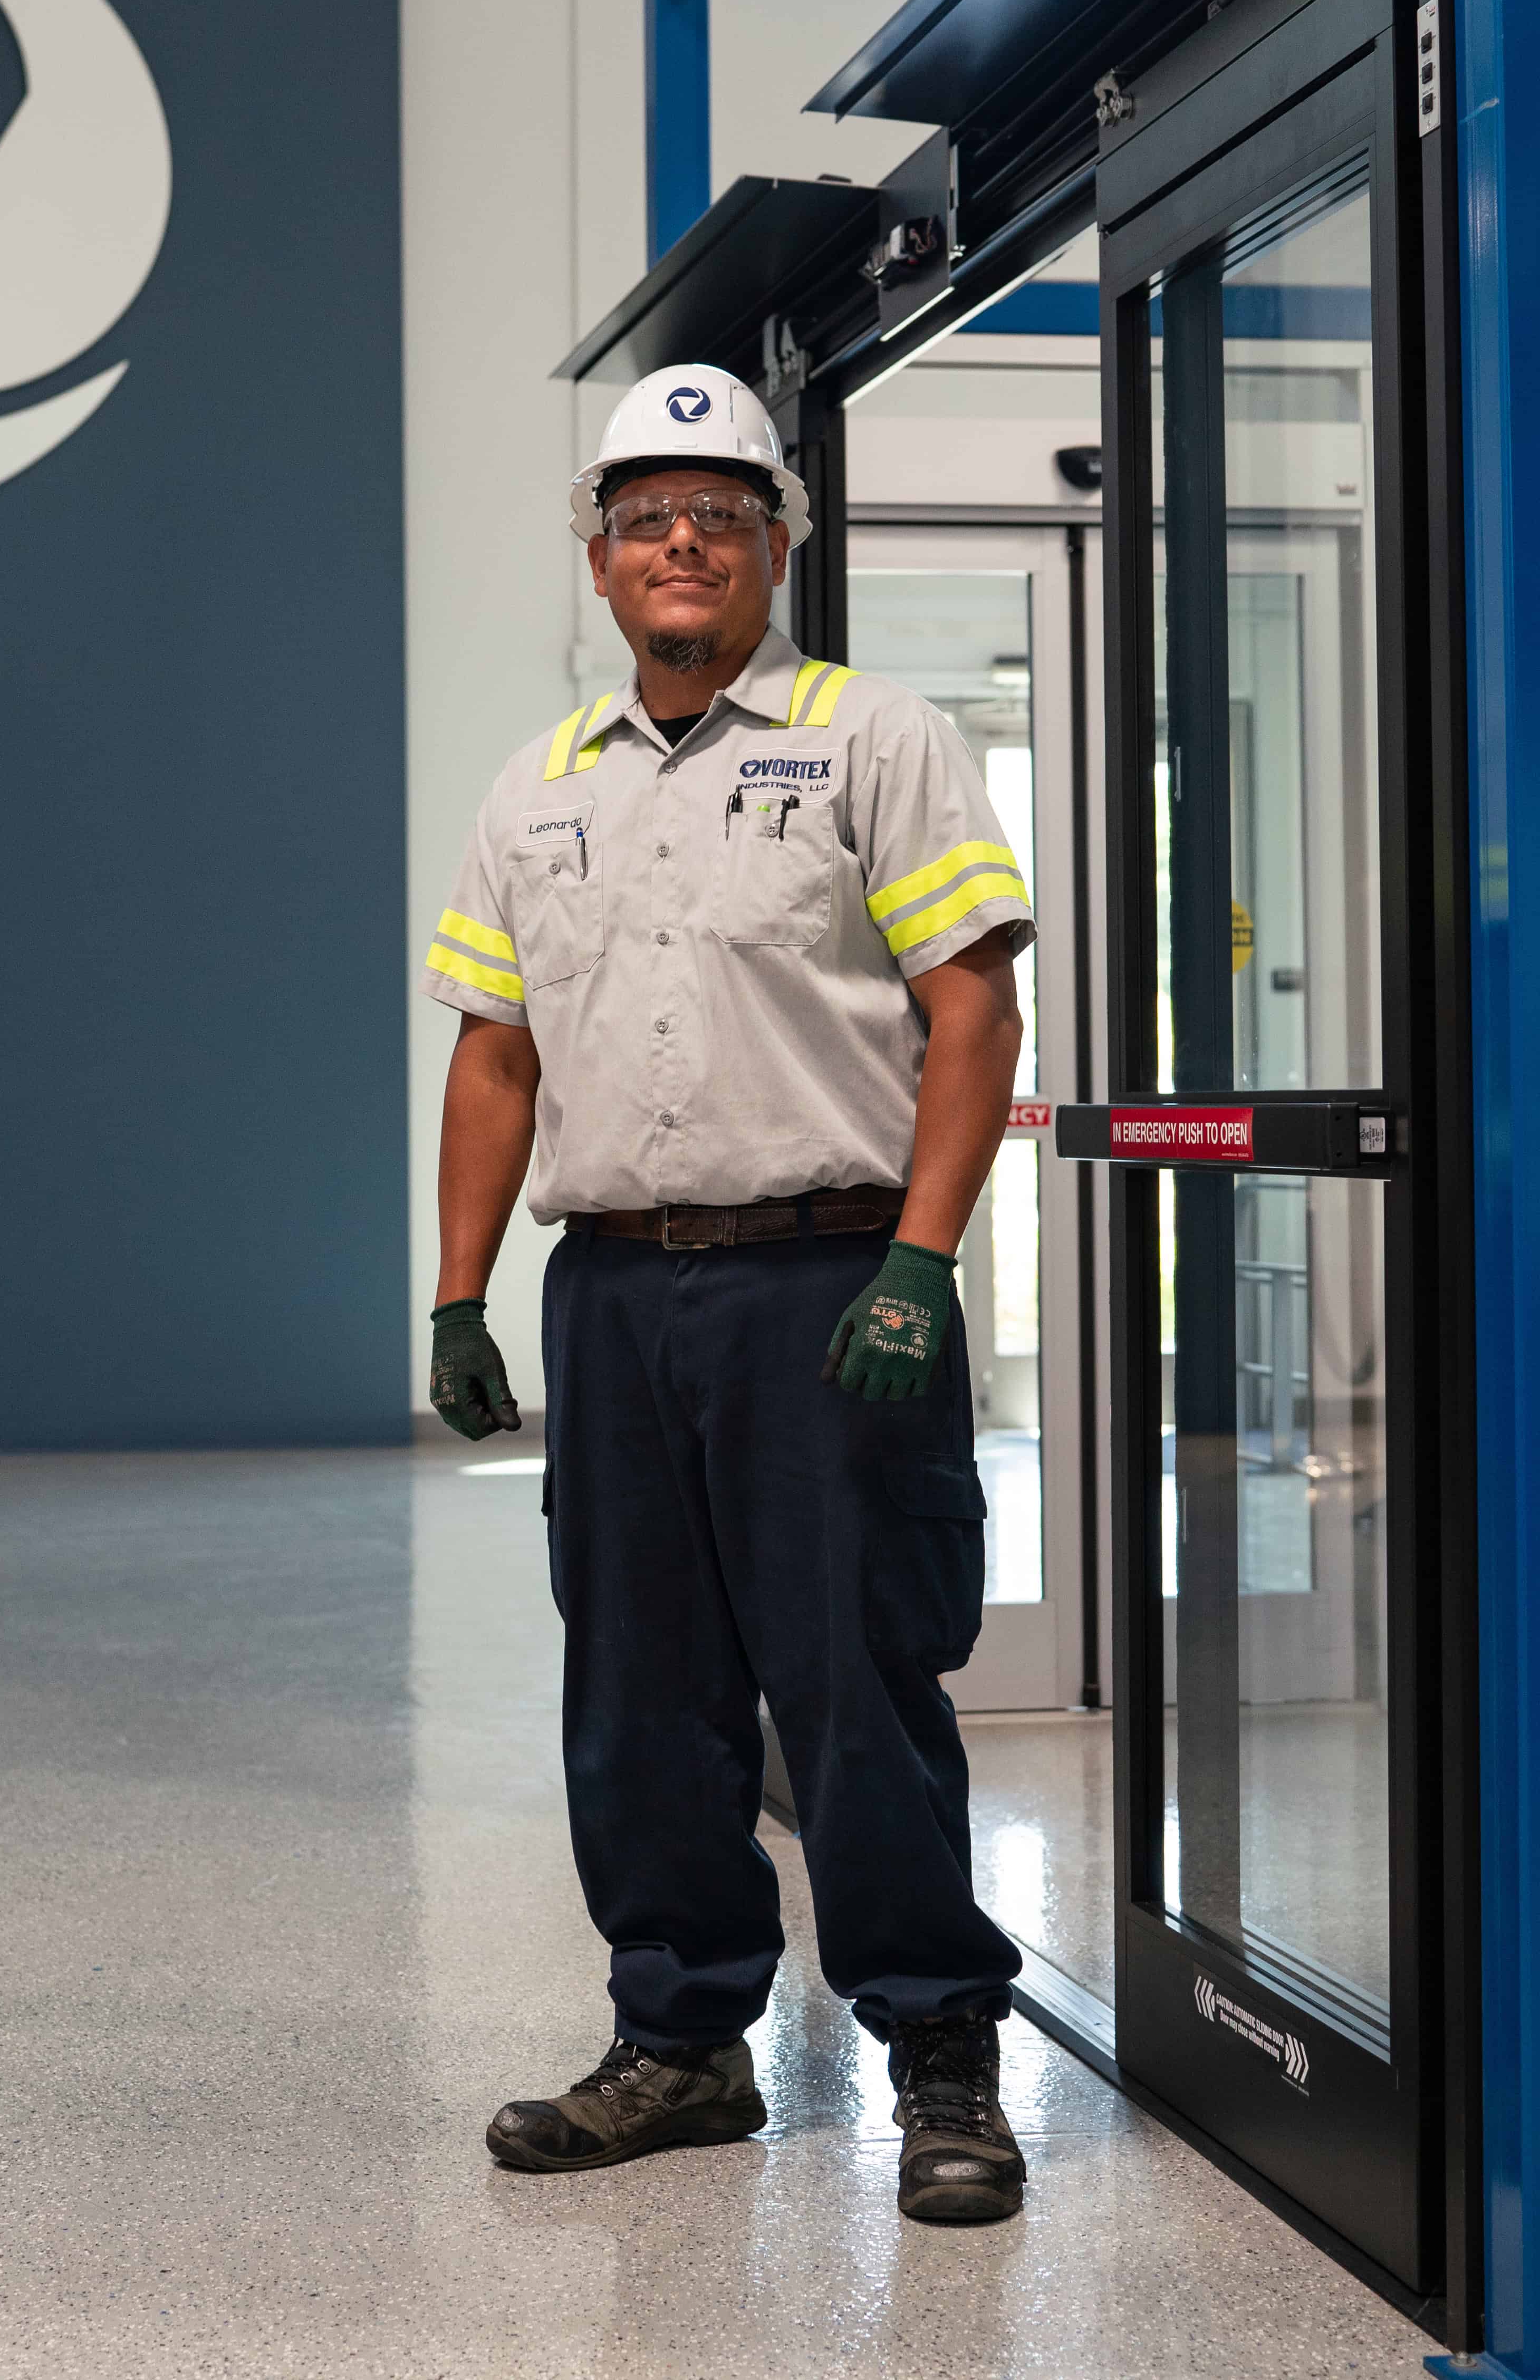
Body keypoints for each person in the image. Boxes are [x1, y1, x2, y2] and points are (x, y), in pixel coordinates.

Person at [422, 360, 1035, 2228]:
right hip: (616, 1296)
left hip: (832, 1288)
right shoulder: (537, 789)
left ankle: (939, 2050)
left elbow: (972, 1009)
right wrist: (461, 1294)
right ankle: (681, 2044)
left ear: (780, 546)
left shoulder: (880, 738)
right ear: (597, 564)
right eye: (643, 520)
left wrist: (923, 1262)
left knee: (855, 1684)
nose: (680, 544)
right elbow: (495, 1056)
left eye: (720, 515)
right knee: (638, 1694)